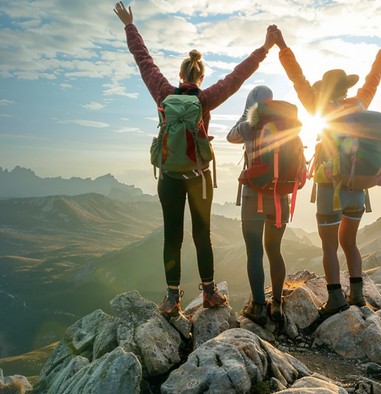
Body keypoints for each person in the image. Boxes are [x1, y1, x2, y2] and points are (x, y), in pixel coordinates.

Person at [113, 1, 278, 315]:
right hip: (199, 177)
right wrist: (265, 47)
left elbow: (143, 61)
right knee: (202, 233)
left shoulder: (163, 93)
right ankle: (209, 293)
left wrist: (130, 26)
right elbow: (238, 76)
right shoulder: (206, 98)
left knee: (171, 235)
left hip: (169, 178)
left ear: (179, 74)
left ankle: (172, 298)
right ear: (200, 77)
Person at [273, 27, 381, 316]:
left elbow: (298, 80)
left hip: (329, 190)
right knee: (351, 243)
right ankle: (357, 296)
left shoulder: (320, 109)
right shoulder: (360, 105)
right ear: (346, 89)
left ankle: (335, 299)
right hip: (359, 189)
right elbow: (373, 79)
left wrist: (282, 45)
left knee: (329, 247)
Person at [227, 86, 290, 326]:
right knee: (275, 250)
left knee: (255, 252)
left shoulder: (247, 126)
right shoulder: (287, 125)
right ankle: (277, 304)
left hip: (253, 198)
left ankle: (259, 308)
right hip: (280, 198)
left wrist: (246, 114)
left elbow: (230, 136)